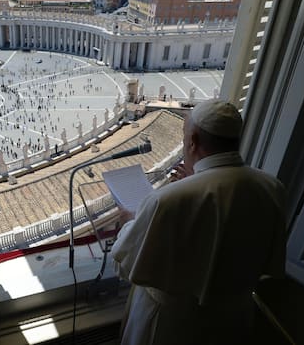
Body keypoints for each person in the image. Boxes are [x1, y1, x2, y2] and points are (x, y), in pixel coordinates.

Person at [111, 99, 287, 345]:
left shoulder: (165, 200)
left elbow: (126, 266)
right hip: (234, 320)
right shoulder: (272, 187)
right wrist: (196, 179)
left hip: (172, 325)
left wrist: (131, 219)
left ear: (192, 141)